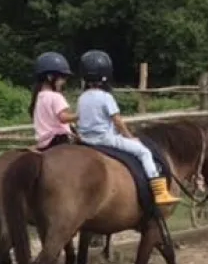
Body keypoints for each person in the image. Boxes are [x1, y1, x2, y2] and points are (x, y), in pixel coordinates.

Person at [73, 49, 178, 209]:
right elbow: (118, 122)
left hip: (86, 139)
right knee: (144, 152)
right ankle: (160, 191)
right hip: (105, 139)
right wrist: (129, 137)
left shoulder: (82, 97)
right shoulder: (106, 97)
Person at [29, 52, 77, 150]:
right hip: (59, 140)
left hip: (43, 144)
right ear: (50, 77)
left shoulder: (39, 97)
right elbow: (63, 118)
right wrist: (80, 115)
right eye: (62, 78)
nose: (64, 82)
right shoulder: (55, 96)